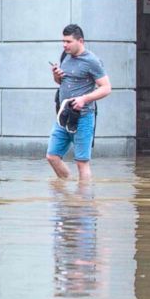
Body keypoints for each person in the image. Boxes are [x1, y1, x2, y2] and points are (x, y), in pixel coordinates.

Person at [46, 24, 111, 182]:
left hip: (83, 117)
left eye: (68, 41)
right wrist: (56, 75)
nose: (64, 45)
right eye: (63, 41)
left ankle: (83, 202)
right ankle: (66, 187)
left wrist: (84, 99)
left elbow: (107, 88)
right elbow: (60, 82)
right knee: (52, 156)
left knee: (82, 162)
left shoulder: (92, 61)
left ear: (80, 41)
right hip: (63, 115)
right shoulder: (65, 56)